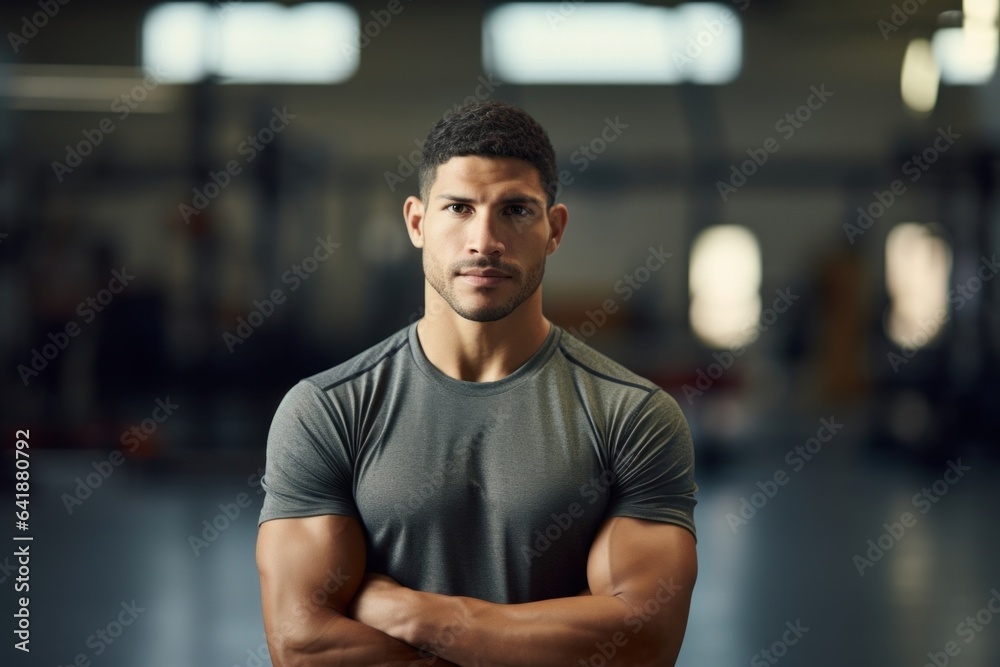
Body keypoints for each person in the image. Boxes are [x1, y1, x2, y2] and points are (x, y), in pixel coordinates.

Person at [256, 100, 698, 666]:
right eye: (459, 208)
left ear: (554, 229)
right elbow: (302, 647)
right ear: (417, 223)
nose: (484, 239)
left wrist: (422, 616)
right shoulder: (327, 410)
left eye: (515, 209)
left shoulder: (631, 416)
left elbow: (642, 640)